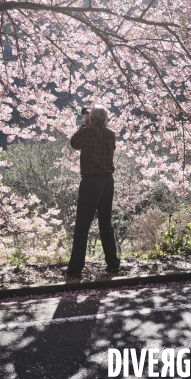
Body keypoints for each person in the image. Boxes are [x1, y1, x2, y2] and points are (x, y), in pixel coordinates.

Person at [65, 104, 120, 278]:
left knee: (82, 225)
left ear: (93, 118)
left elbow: (74, 143)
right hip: (107, 182)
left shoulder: (88, 131)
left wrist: (84, 125)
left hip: (91, 182)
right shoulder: (111, 135)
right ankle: (113, 263)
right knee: (106, 224)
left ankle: (75, 268)